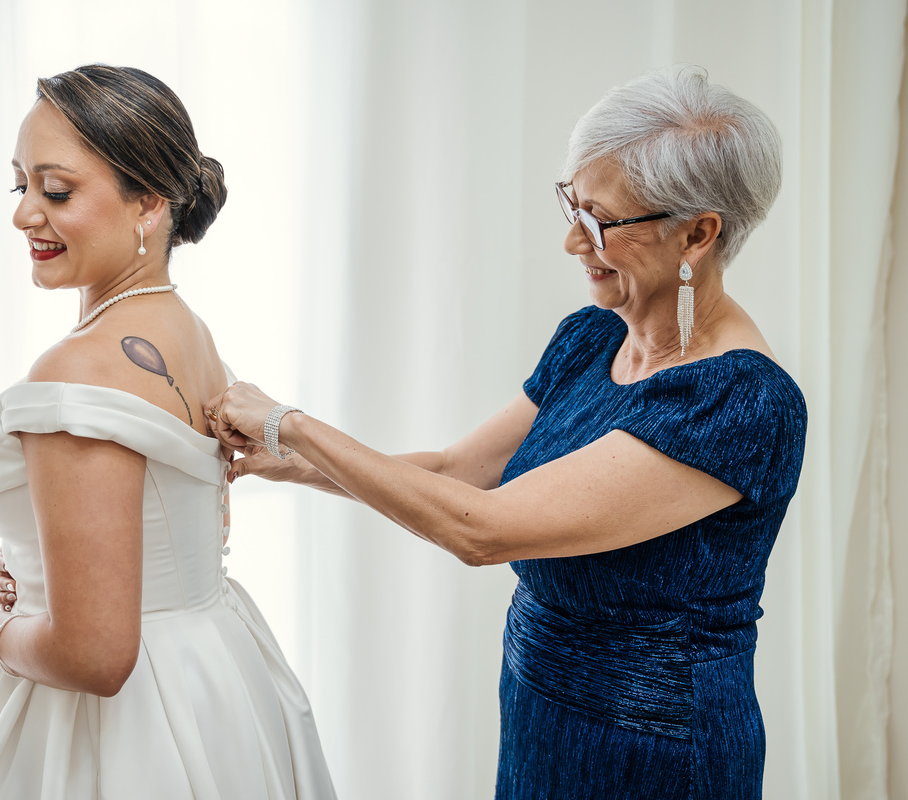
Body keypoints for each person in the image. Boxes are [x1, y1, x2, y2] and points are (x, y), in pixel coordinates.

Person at [204, 67, 806, 799]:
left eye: (599, 223)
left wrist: (290, 423)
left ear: (699, 233)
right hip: (537, 699)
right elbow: (460, 472)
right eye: (573, 207)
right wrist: (286, 461)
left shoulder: (739, 401)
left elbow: (482, 530)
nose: (571, 243)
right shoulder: (591, 338)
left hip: (653, 747)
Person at [0, 64, 335, 800]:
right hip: (214, 676)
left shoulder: (79, 369)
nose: (26, 214)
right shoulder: (187, 329)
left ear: (149, 205)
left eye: (55, 191)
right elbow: (159, 520)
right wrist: (37, 557)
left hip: (120, 728)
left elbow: (95, 654)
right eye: (19, 185)